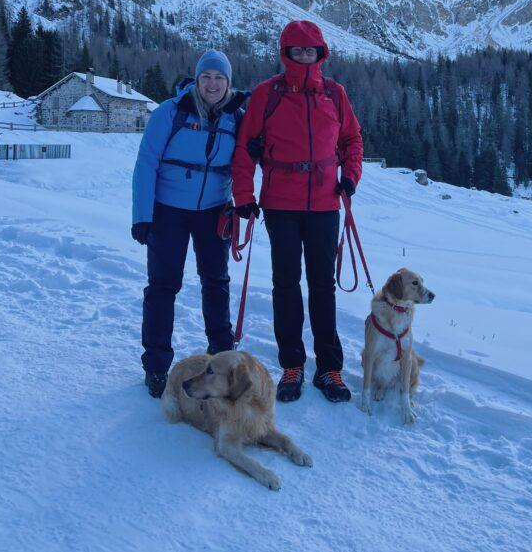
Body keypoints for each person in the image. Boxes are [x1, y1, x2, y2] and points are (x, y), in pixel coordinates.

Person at [232, 20, 363, 404]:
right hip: (280, 205)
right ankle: (292, 364)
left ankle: (329, 368)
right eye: (297, 50)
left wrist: (350, 177)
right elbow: (245, 150)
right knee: (286, 285)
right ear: (285, 53)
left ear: (320, 54)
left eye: (311, 51)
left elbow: (352, 139)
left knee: (323, 286)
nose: (304, 56)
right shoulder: (266, 95)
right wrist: (244, 196)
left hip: (325, 204)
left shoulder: (334, 94)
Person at [131, 49, 248, 398]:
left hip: (215, 212)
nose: (212, 84)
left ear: (228, 82)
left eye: (219, 78)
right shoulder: (171, 112)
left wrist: (245, 204)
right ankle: (156, 366)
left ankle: (223, 359)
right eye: (206, 77)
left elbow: (245, 163)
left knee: (216, 283)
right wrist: (142, 216)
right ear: (196, 80)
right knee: (163, 286)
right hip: (169, 211)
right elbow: (146, 163)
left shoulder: (237, 118)